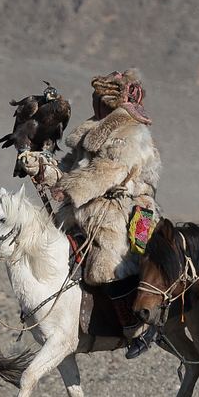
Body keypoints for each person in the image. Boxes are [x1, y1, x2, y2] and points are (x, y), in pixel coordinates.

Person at [19, 69, 160, 287]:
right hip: (86, 208)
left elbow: (107, 173)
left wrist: (68, 190)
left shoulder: (130, 133)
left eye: (98, 99)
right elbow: (70, 166)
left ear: (110, 102)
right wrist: (42, 168)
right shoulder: (92, 131)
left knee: (106, 270)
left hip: (125, 211)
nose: (94, 103)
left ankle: (127, 320)